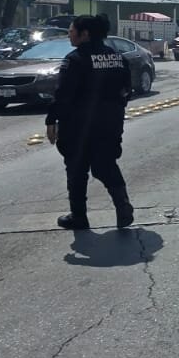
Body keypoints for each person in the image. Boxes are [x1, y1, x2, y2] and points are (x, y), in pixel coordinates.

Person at [46, 14, 135, 230]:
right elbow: (127, 90)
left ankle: (79, 217)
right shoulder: (117, 57)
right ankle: (123, 207)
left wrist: (52, 120)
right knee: (105, 165)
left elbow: (63, 94)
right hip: (110, 123)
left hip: (79, 126)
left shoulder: (75, 59)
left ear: (84, 34)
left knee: (77, 170)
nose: (69, 34)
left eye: (71, 30)